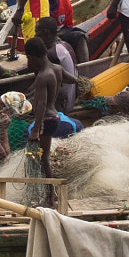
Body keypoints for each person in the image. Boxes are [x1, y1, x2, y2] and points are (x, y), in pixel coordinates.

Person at [22, 37, 82, 170]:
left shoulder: (43, 76)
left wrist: (35, 130)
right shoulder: (57, 69)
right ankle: (48, 186)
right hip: (55, 115)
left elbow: (42, 105)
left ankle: (48, 189)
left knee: (44, 158)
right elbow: (74, 80)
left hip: (46, 119)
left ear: (31, 57)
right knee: (44, 156)